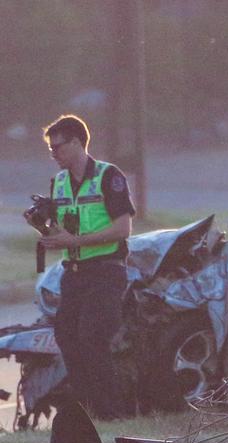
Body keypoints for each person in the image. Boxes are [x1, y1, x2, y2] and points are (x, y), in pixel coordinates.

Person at [40, 115, 134, 419]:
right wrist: (46, 231)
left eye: (58, 147)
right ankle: (86, 412)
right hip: (75, 272)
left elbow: (123, 228)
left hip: (106, 269)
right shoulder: (59, 182)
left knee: (92, 336)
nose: (54, 153)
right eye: (50, 149)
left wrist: (77, 239)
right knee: (67, 336)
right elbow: (61, 230)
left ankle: (111, 413)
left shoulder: (108, 176)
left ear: (78, 143)